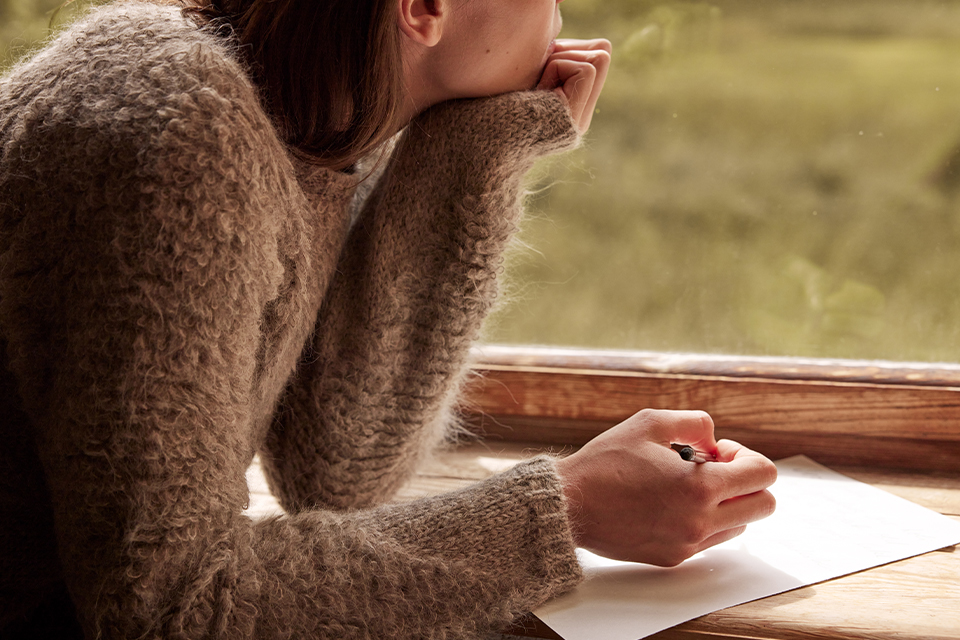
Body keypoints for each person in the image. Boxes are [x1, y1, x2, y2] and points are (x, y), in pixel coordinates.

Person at [0, 0, 777, 637]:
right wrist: (567, 506)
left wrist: (474, 151)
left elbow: (338, 472)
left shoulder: (308, 119)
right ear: (425, 10)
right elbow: (166, 606)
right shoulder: (178, 131)